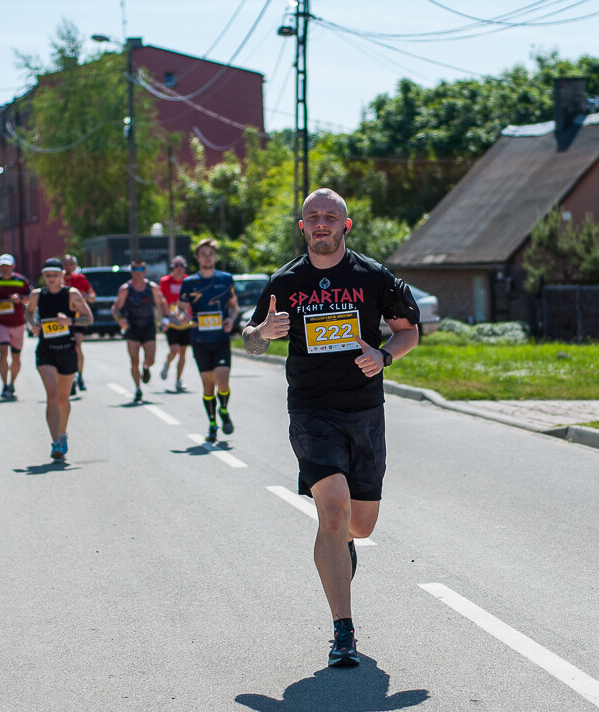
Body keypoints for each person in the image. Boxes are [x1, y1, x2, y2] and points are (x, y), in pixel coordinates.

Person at [242, 188, 420, 667]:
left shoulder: (373, 277)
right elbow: (249, 338)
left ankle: (344, 547)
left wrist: (383, 356)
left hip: (365, 412)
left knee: (360, 524)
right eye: (312, 216)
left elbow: (408, 331)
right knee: (335, 510)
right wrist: (262, 334)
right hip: (311, 411)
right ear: (301, 227)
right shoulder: (286, 282)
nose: (321, 223)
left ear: (346, 225)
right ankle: (344, 630)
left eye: (330, 216)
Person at [25, 258, 93, 460]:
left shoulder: (71, 294)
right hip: (46, 350)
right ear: (44, 276)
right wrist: (32, 325)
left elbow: (88, 318)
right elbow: (28, 313)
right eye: (48, 276)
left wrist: (70, 320)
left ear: (61, 276)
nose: (51, 279)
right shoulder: (38, 295)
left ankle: (62, 435)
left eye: (55, 275)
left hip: (66, 349)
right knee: (52, 395)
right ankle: (55, 442)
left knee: (63, 398)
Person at [178, 239, 238, 443]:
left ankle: (224, 409)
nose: (207, 257)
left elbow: (233, 306)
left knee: (222, 380)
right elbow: (181, 308)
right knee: (207, 385)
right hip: (200, 339)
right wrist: (183, 316)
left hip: (221, 338)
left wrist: (230, 318)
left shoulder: (226, 278)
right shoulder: (189, 283)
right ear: (197, 257)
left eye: (210, 253)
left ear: (215, 256)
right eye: (203, 254)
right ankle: (212, 423)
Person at [111, 258, 166, 404]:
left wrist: (165, 319)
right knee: (134, 360)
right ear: (131, 272)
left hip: (148, 325)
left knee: (151, 358)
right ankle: (137, 389)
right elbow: (115, 309)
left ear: (145, 271)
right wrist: (120, 319)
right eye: (135, 270)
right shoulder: (125, 289)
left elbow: (161, 303)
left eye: (140, 270)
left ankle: (146, 367)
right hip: (133, 327)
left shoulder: (152, 287)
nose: (137, 273)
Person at [0, 253, 32, 399]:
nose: (5, 269)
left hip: (18, 324)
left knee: (16, 357)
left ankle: (12, 383)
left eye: (8, 266)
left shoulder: (21, 280)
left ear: (13, 266)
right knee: (3, 352)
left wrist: (20, 299)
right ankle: (5, 385)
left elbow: (30, 298)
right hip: (0, 323)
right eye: (2, 266)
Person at [62, 254, 96, 395]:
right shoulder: (59, 278)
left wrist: (86, 298)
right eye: (66, 264)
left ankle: (79, 375)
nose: (69, 267)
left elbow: (92, 296)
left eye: (71, 264)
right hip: (63, 318)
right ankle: (68, 375)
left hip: (79, 317)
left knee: (77, 344)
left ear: (75, 266)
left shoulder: (80, 279)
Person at [157, 255, 191, 392]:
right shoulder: (165, 281)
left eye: (181, 265)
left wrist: (190, 314)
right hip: (171, 321)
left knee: (183, 352)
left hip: (186, 321)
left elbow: (193, 299)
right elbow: (161, 301)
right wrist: (164, 317)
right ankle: (167, 363)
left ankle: (178, 380)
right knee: (174, 350)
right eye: (176, 266)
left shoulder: (189, 281)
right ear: (172, 268)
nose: (179, 269)